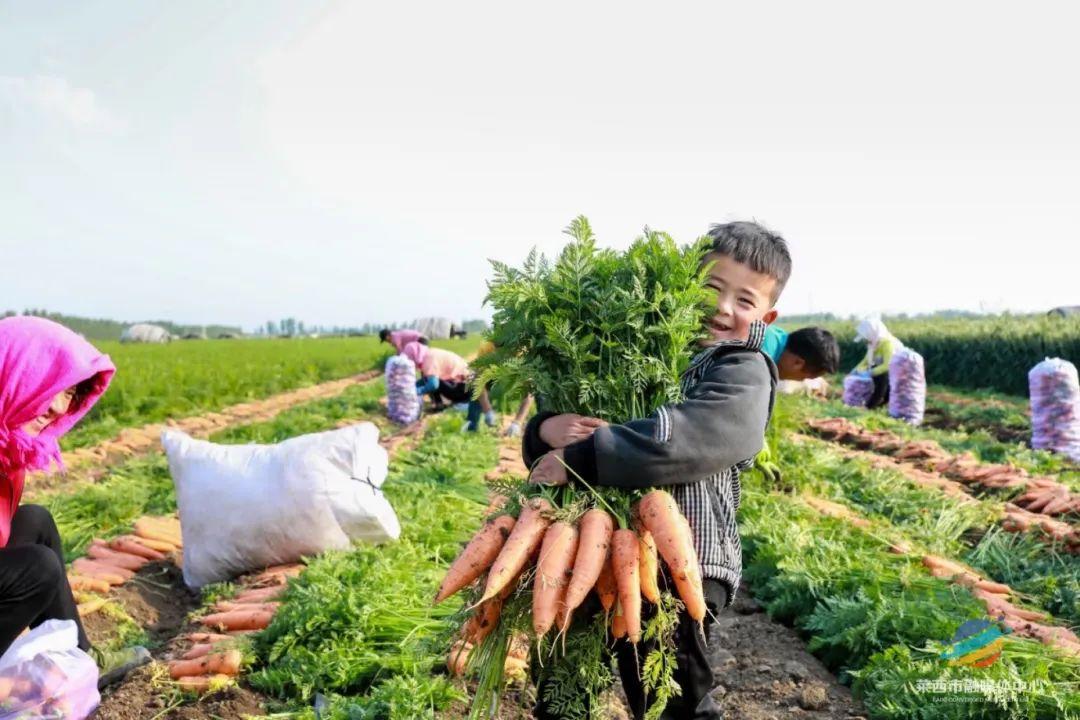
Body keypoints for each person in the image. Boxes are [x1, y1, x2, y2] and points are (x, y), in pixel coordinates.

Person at [525, 221, 789, 720]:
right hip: (588, 545)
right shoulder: (639, 345)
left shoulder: (741, 370)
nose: (722, 307)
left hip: (676, 561)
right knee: (563, 690)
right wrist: (546, 430)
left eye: (744, 300)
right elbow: (558, 450)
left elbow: (692, 438)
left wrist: (583, 457)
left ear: (767, 316)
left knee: (672, 702)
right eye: (711, 287)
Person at [0, 316, 147, 682]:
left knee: (34, 522)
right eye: (48, 386)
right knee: (37, 568)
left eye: (69, 393)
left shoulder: (9, 449)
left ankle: (81, 662)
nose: (58, 408)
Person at [402, 341, 471, 411]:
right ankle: (439, 403)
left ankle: (447, 403)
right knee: (428, 379)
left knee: (430, 381)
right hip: (466, 387)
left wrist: (415, 391)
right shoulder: (429, 353)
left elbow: (433, 385)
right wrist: (411, 387)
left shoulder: (428, 360)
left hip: (463, 390)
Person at [761, 325, 841, 383]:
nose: (801, 381)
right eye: (804, 378)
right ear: (797, 363)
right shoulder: (762, 358)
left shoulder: (775, 334)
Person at [851, 317, 899, 409]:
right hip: (884, 372)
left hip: (895, 372)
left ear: (872, 333)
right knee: (876, 376)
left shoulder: (887, 343)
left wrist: (870, 372)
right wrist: (855, 370)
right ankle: (880, 402)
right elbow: (866, 360)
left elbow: (887, 365)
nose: (866, 339)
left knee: (881, 379)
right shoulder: (873, 344)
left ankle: (870, 406)